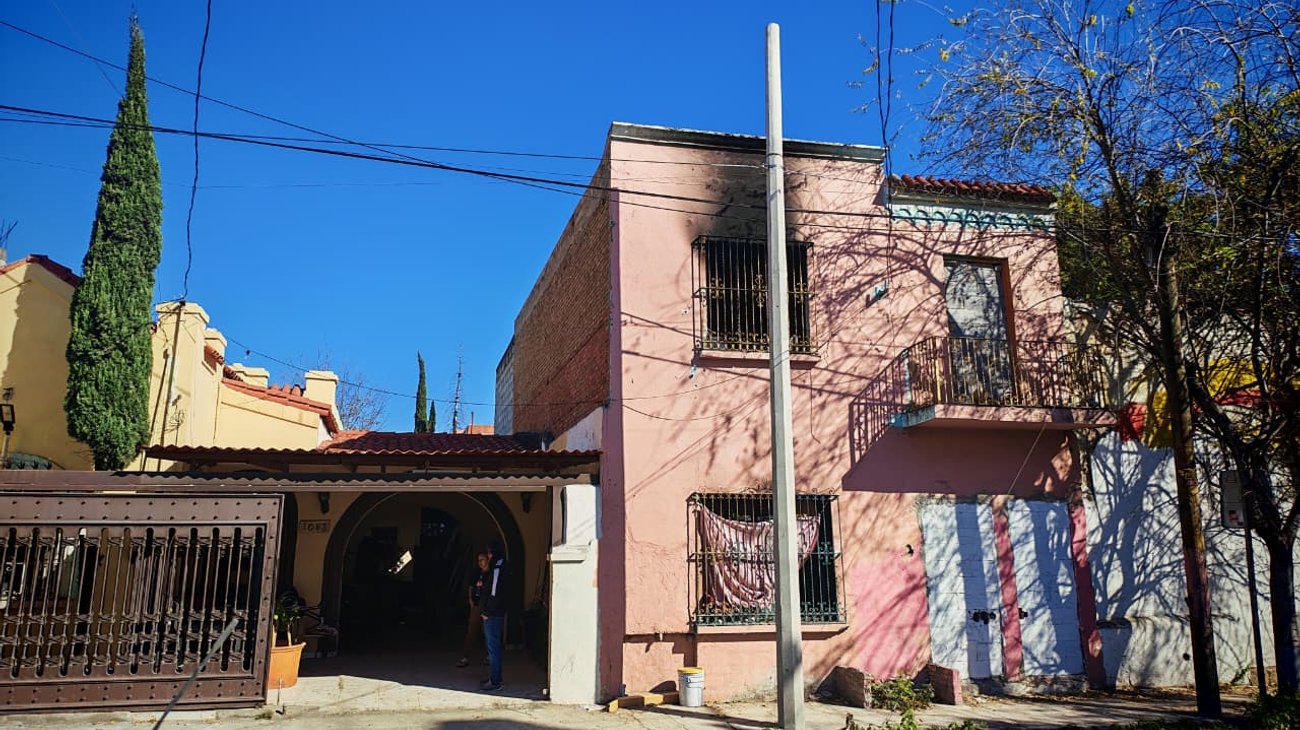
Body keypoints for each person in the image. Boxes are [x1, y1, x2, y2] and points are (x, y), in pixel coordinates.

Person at [479, 539, 507, 691]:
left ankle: (495, 681)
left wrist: (486, 612)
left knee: (493, 648)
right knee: (493, 648)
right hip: (496, 613)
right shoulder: (501, 566)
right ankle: (494, 677)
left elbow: (494, 592)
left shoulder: (497, 568)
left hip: (493, 614)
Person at [456, 552, 490, 668]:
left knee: (488, 633)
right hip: (476, 606)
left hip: (487, 607)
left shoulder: (491, 573)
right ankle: (465, 657)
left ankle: (489, 656)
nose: (480, 562)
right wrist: (470, 599)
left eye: (482, 559)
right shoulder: (476, 573)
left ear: (487, 560)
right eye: (478, 560)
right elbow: (471, 587)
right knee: (471, 632)